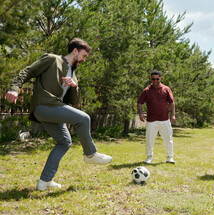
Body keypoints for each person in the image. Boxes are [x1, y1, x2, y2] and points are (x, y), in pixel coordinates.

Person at [5, 38, 112, 191]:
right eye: (84, 56)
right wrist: (15, 88)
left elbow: (74, 102)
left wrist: (74, 86)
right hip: (44, 106)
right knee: (84, 118)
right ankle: (90, 154)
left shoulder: (73, 75)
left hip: (54, 109)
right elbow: (28, 71)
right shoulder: (52, 59)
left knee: (64, 142)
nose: (84, 60)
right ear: (75, 51)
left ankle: (44, 182)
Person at [137, 71, 175, 164]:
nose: (155, 81)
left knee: (168, 139)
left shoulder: (166, 89)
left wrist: (173, 115)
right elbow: (139, 103)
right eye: (153, 79)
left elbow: (171, 102)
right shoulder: (146, 90)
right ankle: (149, 157)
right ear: (150, 79)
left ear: (160, 79)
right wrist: (141, 113)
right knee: (149, 140)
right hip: (151, 121)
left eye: (157, 79)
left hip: (165, 120)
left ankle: (170, 157)